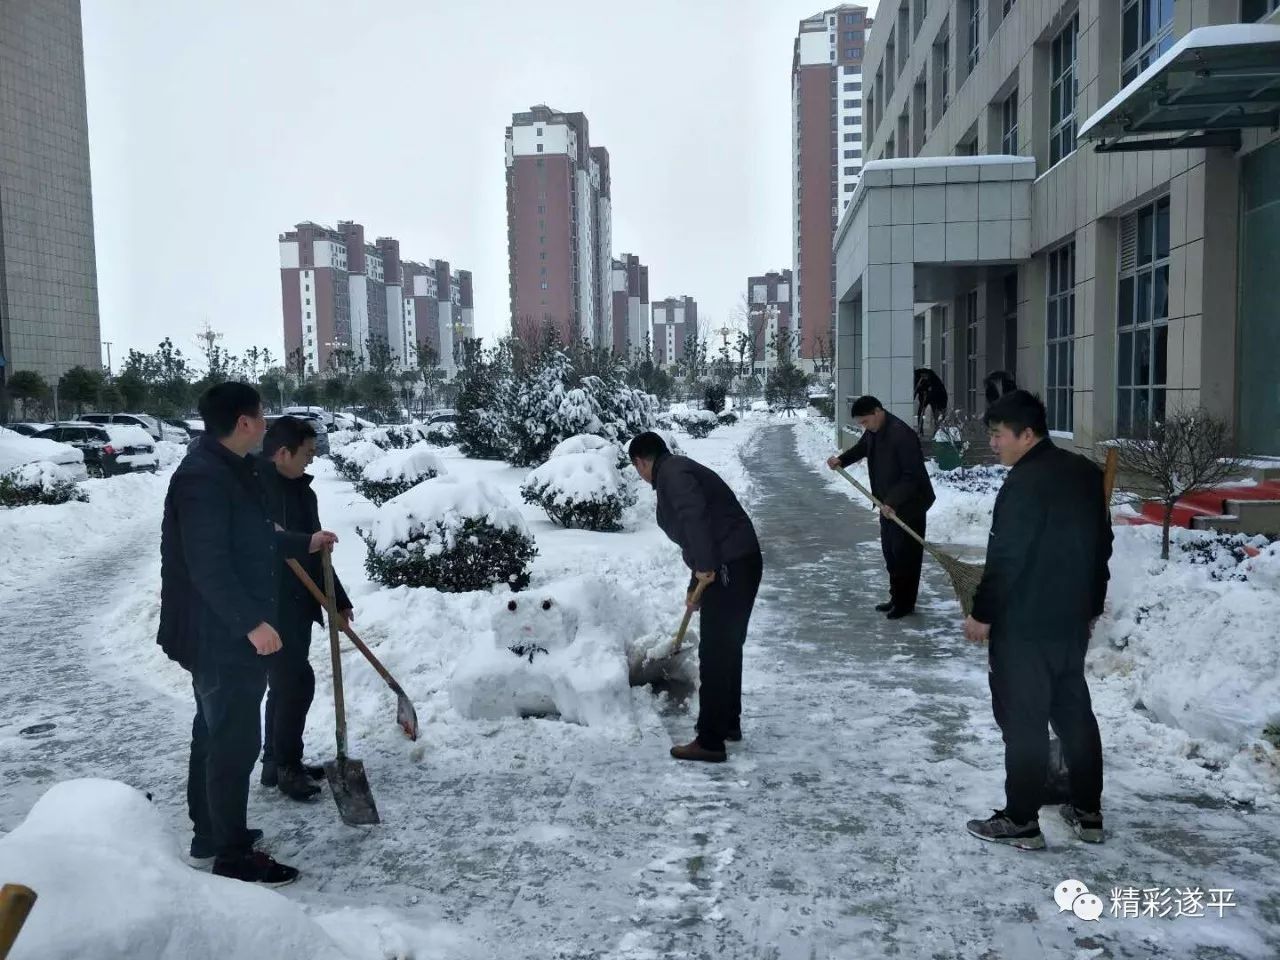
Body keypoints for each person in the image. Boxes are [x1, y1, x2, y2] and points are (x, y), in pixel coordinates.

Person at [158, 383, 338, 885]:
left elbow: (257, 538)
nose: (265, 423)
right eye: (260, 416)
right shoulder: (203, 478)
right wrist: (252, 624)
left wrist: (307, 541)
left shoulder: (230, 470)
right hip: (218, 634)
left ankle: (211, 835)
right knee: (231, 741)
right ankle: (231, 854)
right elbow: (206, 565)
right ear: (243, 422)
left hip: (224, 629)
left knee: (214, 733)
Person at [962, 390, 1112, 851]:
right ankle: (1087, 811)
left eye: (999, 435)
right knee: (1073, 714)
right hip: (1068, 621)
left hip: (1025, 625)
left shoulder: (1023, 483)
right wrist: (1090, 607)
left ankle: (1021, 821)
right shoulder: (1084, 473)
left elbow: (1006, 557)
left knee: (1024, 721)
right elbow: (1101, 546)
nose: (994, 444)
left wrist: (982, 614)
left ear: (1027, 434)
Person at [629, 431, 763, 763]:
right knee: (727, 646)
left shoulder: (673, 475)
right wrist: (695, 586)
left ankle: (710, 741)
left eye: (636, 468)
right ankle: (727, 723)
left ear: (641, 462)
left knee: (717, 651)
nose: (639, 474)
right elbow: (698, 534)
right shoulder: (676, 470)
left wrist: (704, 565)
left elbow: (695, 518)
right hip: (735, 561)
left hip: (731, 565)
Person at [257, 415, 353, 802]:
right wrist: (297, 541)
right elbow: (253, 542)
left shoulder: (302, 491)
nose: (312, 460)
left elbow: (315, 554)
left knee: (285, 684)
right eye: (308, 453)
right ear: (282, 453)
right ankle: (286, 766)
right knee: (294, 682)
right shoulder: (252, 489)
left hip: (297, 602)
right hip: (265, 606)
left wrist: (338, 600)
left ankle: (274, 761)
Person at [826, 395, 936, 618]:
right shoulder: (875, 431)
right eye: (861, 423)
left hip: (910, 504)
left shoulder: (901, 435)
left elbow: (912, 476)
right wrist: (841, 460)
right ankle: (896, 597)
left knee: (906, 556)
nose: (864, 426)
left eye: (865, 421)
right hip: (888, 503)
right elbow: (861, 448)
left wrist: (892, 501)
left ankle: (905, 604)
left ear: (877, 412)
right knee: (891, 553)